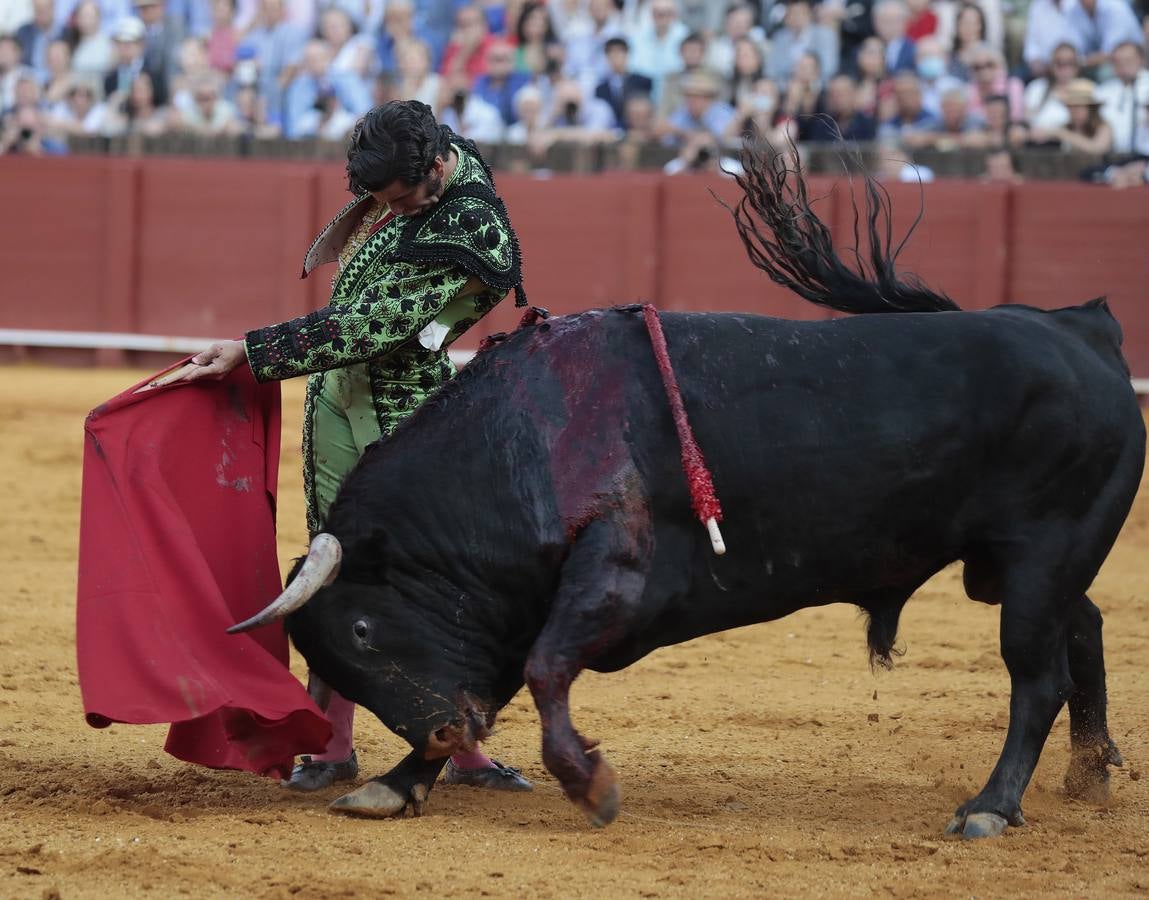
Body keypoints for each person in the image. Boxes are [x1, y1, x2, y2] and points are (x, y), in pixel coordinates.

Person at [176, 101, 531, 793]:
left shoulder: (470, 223)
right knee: (332, 564)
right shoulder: (421, 164)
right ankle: (333, 745)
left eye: (401, 199)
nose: (391, 212)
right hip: (339, 394)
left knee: (436, 579)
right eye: (382, 199)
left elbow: (374, 326)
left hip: (407, 407)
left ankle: (463, 750)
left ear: (437, 166)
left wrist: (254, 350)